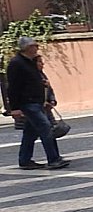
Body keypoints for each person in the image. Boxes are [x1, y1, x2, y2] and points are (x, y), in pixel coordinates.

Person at [6, 37, 70, 170]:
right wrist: (14, 108)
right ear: (27, 48)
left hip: (37, 102)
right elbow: (13, 87)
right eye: (34, 46)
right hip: (28, 103)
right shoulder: (16, 63)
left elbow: (35, 80)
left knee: (30, 133)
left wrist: (45, 97)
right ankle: (53, 159)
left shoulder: (31, 62)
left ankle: (25, 160)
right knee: (46, 128)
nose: (37, 48)